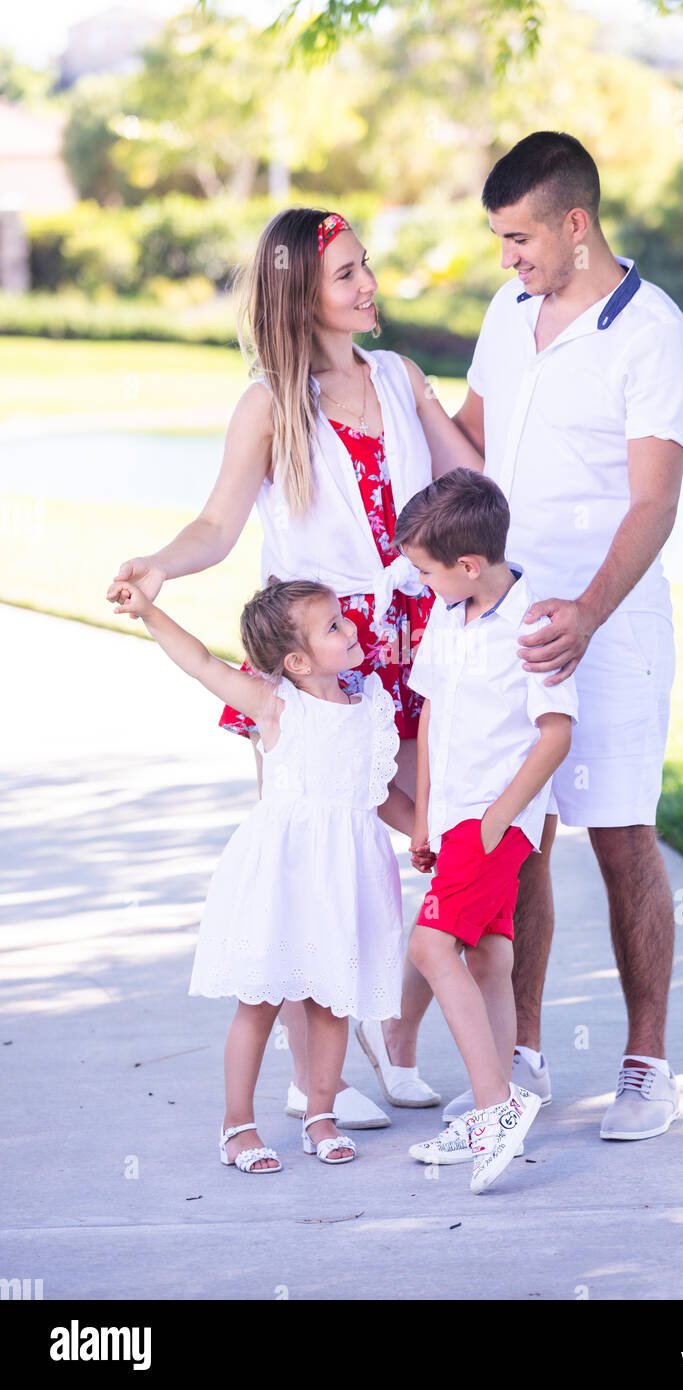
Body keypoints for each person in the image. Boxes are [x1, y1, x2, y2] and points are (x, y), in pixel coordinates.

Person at [106, 207, 483, 1127]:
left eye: (366, 267)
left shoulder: (397, 377)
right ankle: (315, 1080)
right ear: (300, 297)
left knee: (431, 841)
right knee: (314, 852)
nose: (368, 286)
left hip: (406, 639)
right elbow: (218, 525)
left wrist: (444, 401)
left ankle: (387, 1041)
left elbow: (475, 489)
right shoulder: (272, 405)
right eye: (345, 276)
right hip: (314, 656)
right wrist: (161, 564)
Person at [441, 131, 683, 1139]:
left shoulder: (653, 337)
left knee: (620, 836)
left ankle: (646, 1066)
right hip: (507, 619)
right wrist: (390, 392)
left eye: (518, 238)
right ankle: (522, 1055)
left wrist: (588, 615)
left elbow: (651, 504)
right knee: (518, 842)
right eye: (499, 240)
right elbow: (467, 444)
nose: (506, 258)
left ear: (574, 223)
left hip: (611, 622)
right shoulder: (506, 315)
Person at [112, 574, 416, 1168]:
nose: (349, 626)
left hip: (347, 877)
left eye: (342, 618)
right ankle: (236, 1126)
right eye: (333, 626)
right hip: (285, 876)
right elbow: (202, 663)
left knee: (333, 1001)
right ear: (298, 661)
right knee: (262, 1002)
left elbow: (379, 795)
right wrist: (150, 611)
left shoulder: (371, 706)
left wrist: (425, 834)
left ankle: (320, 1116)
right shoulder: (278, 707)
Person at [394, 470, 579, 1193]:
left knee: (431, 945)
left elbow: (556, 734)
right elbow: (434, 714)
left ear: (468, 564)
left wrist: (500, 817)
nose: (420, 580)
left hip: (493, 821)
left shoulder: (535, 623)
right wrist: (424, 814)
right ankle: (492, 1103)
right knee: (489, 962)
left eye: (424, 569)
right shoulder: (450, 615)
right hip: (455, 819)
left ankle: (494, 1109)